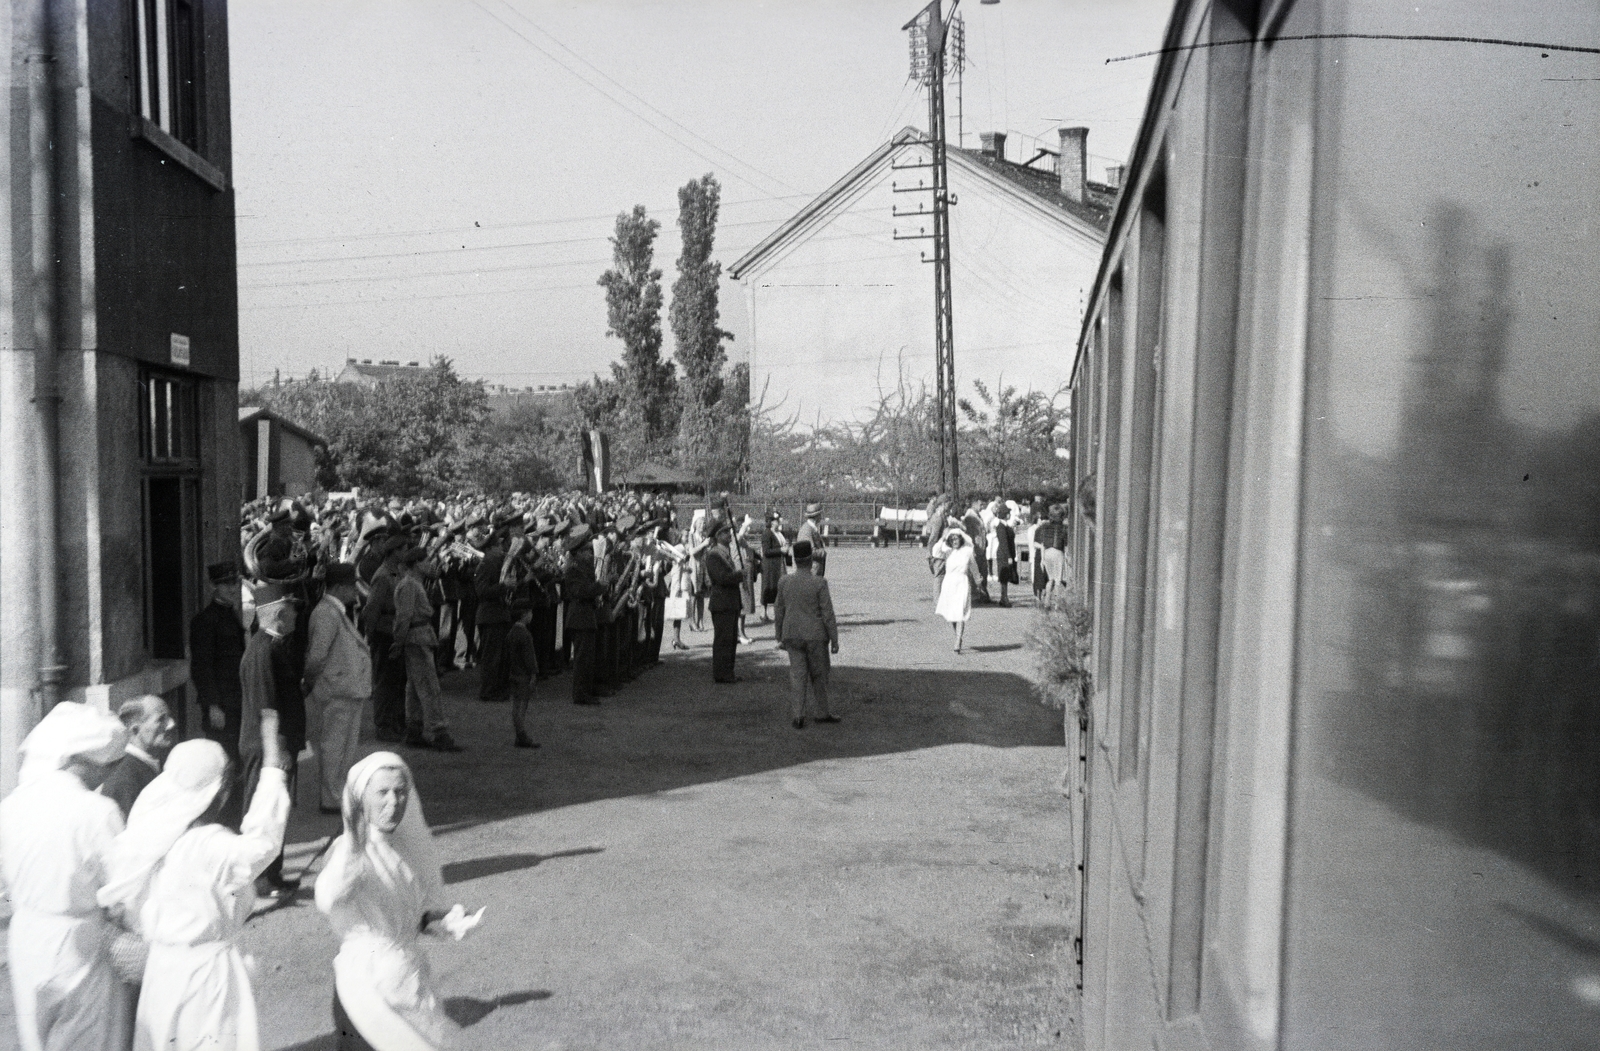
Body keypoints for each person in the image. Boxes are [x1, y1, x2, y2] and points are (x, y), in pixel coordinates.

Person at [109, 736, 291, 1051]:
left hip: (162, 970)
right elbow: (263, 844)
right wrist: (272, 772)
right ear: (217, 793)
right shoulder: (206, 845)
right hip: (206, 977)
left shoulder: (149, 830)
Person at [315, 753, 484, 1051]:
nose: (393, 802)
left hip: (407, 978)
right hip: (366, 989)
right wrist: (354, 843)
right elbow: (328, 896)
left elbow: (408, 912)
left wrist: (440, 921)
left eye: (400, 792)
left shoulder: (404, 848)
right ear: (360, 798)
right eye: (382, 792)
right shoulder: (347, 851)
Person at [0, 702, 133, 1051]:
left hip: (27, 936)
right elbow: (121, 886)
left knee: (36, 1037)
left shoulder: (11, 805)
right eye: (107, 765)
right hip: (79, 941)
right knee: (84, 1035)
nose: (107, 775)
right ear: (84, 761)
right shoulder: (96, 811)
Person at [239, 581, 304, 896]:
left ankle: (272, 874)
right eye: (292, 608)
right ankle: (260, 879)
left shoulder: (272, 646)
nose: (295, 614)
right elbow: (267, 709)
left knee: (276, 813)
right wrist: (275, 753)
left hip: (275, 746)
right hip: (267, 747)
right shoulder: (264, 651)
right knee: (265, 813)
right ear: (279, 611)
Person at [305, 562, 373, 813]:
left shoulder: (333, 611)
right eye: (352, 586)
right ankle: (331, 797)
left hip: (345, 690)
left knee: (343, 747)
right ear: (339, 587)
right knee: (335, 746)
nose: (356, 591)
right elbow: (316, 657)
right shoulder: (326, 613)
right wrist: (313, 683)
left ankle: (337, 793)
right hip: (337, 691)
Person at [392, 549, 462, 752]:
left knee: (415, 686)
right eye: (426, 561)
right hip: (417, 637)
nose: (430, 564)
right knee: (429, 686)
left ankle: (414, 729)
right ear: (416, 564)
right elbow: (405, 617)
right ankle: (439, 731)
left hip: (417, 636)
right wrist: (399, 642)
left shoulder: (412, 584)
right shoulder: (410, 585)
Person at [774, 540, 840, 729]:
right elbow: (828, 614)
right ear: (810, 560)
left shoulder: (785, 581)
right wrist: (834, 639)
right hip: (816, 635)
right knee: (819, 675)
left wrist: (778, 635)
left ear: (795, 560)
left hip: (792, 634)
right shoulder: (819, 583)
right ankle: (822, 711)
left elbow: (779, 610)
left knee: (797, 674)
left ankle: (798, 715)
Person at [189, 560, 247, 762]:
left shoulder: (231, 615)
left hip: (237, 701)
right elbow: (201, 667)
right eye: (226, 584)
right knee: (224, 760)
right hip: (221, 705)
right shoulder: (204, 621)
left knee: (237, 760)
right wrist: (213, 705)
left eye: (235, 583)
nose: (233, 588)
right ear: (213, 586)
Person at [361, 536, 410, 743]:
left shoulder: (397, 572)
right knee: (384, 682)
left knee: (398, 681)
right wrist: (370, 635)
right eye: (404, 548)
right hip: (384, 634)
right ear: (395, 551)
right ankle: (383, 725)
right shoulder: (383, 576)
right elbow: (372, 609)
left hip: (395, 631)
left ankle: (397, 722)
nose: (406, 552)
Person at [100, 695, 178, 821]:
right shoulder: (124, 777)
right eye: (161, 719)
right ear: (135, 729)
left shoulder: (156, 761)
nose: (171, 724)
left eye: (168, 717)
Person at [563, 525, 605, 705]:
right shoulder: (573, 570)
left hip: (585, 617)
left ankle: (587, 690)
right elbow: (580, 591)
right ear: (578, 553)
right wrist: (599, 587)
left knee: (588, 658)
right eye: (587, 552)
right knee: (582, 659)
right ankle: (580, 694)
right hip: (579, 618)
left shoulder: (583, 568)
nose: (590, 555)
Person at [705, 516, 744, 684]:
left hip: (730, 602)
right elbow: (722, 578)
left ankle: (728, 671)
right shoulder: (714, 555)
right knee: (723, 640)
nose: (729, 534)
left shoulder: (724, 553)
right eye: (726, 532)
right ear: (718, 535)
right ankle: (722, 673)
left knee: (730, 639)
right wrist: (740, 575)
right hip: (722, 602)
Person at [933, 528, 982, 653]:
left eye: (957, 538)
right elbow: (935, 552)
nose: (955, 541)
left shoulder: (967, 551)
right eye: (952, 539)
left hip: (962, 583)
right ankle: (957, 635)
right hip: (949, 584)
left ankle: (958, 639)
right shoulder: (947, 551)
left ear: (961, 539)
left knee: (960, 612)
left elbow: (974, 568)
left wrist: (978, 581)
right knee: (952, 614)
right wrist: (943, 538)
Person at [508, 607, 540, 748]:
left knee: (516, 704)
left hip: (513, 673)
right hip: (523, 675)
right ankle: (521, 735)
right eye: (530, 612)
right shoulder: (526, 635)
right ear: (524, 614)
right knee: (522, 705)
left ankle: (519, 733)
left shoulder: (511, 634)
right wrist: (534, 673)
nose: (531, 615)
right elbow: (529, 657)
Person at [759, 510, 788, 620]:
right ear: (771, 522)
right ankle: (763, 613)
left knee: (778, 587)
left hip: (778, 564)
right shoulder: (767, 533)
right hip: (769, 566)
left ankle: (777, 612)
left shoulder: (779, 533)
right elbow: (766, 551)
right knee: (767, 587)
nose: (778, 521)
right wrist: (780, 550)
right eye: (776, 520)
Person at [1037, 503, 1068, 601]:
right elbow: (1065, 545)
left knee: (1050, 579)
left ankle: (1046, 601)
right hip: (1058, 552)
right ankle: (1057, 603)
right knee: (1058, 581)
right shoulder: (1063, 528)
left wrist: (1042, 559)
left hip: (1047, 553)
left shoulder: (1044, 527)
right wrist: (1067, 558)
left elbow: (1042, 544)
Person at [992, 504, 1019, 608]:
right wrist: (1008, 556)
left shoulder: (1005, 525)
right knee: (1004, 576)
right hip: (1004, 554)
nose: (1009, 514)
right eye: (1008, 513)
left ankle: (1004, 597)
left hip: (1006, 553)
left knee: (1006, 576)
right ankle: (1004, 598)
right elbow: (1003, 543)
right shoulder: (1001, 526)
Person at [796, 504, 828, 578]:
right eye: (820, 514)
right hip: (810, 572)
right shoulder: (806, 530)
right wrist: (822, 552)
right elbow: (807, 551)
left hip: (814, 571)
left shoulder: (812, 528)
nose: (821, 517)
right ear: (816, 516)